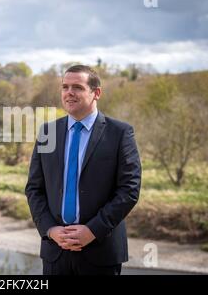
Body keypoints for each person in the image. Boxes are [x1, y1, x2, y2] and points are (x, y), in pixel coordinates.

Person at [25, 64, 141, 275]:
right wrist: (50, 230)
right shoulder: (47, 132)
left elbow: (129, 190)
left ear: (96, 93)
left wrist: (92, 230)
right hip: (55, 251)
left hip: (100, 250)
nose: (69, 92)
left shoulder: (120, 133)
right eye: (65, 87)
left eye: (77, 87)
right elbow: (34, 188)